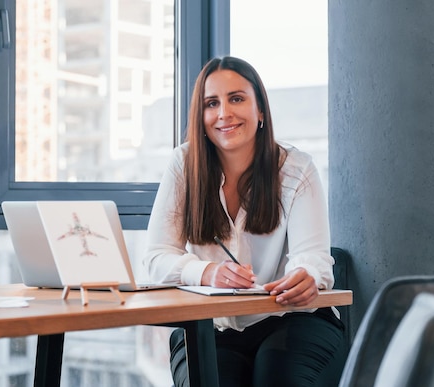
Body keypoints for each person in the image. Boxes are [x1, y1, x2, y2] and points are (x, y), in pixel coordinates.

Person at [143, 56, 344, 387]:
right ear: (201, 116)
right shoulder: (183, 165)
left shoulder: (296, 169)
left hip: (292, 320)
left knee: (277, 378)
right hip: (209, 326)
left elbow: (315, 258)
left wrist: (305, 275)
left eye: (236, 98)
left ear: (260, 110)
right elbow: (157, 257)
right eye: (212, 103)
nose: (224, 113)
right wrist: (208, 272)